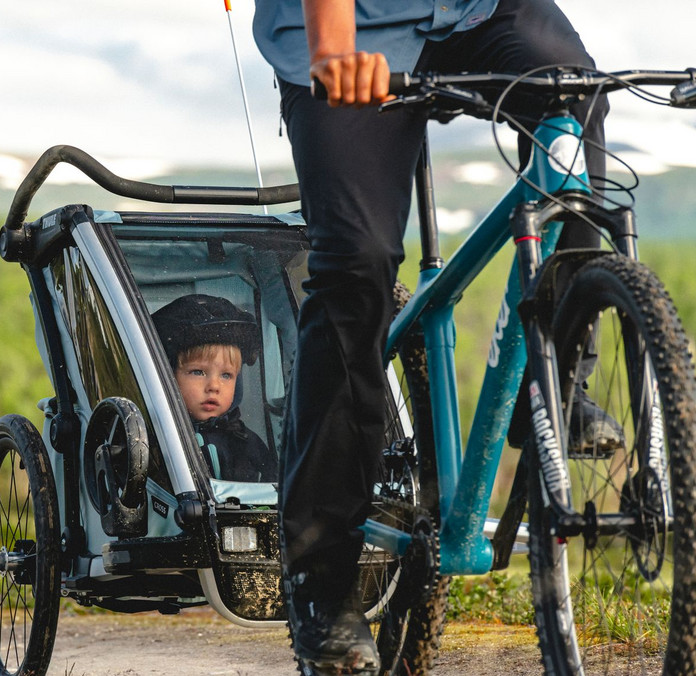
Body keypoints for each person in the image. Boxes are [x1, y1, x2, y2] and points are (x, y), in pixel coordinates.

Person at [251, 0, 615, 673]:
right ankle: (321, 577)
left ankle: (555, 388)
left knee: (576, 105)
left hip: (479, 13)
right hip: (349, 32)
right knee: (354, 266)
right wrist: (331, 51)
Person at [152, 294, 278, 483]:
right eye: (198, 372)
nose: (214, 386)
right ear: (168, 376)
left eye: (226, 375)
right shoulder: (156, 442)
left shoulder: (247, 445)